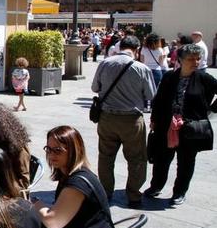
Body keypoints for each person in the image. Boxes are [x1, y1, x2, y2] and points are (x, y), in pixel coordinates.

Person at [33, 126, 116, 228]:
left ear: (73, 150)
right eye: (48, 149)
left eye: (57, 150)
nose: (51, 155)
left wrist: (35, 204)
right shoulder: (72, 174)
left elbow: (53, 221)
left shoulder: (78, 183)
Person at [146, 44, 217, 206]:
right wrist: (154, 119)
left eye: (198, 59)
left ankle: (179, 192)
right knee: (161, 159)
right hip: (166, 125)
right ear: (180, 60)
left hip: (190, 128)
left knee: (186, 162)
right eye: (191, 59)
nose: (195, 62)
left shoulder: (204, 78)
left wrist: (210, 110)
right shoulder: (169, 77)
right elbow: (159, 99)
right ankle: (156, 186)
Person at [91, 35, 156, 207]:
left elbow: (95, 88)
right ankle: (134, 195)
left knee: (105, 157)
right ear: (137, 49)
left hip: (107, 118)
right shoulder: (142, 68)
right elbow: (151, 95)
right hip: (131, 120)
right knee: (136, 159)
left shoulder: (105, 63)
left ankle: (105, 192)